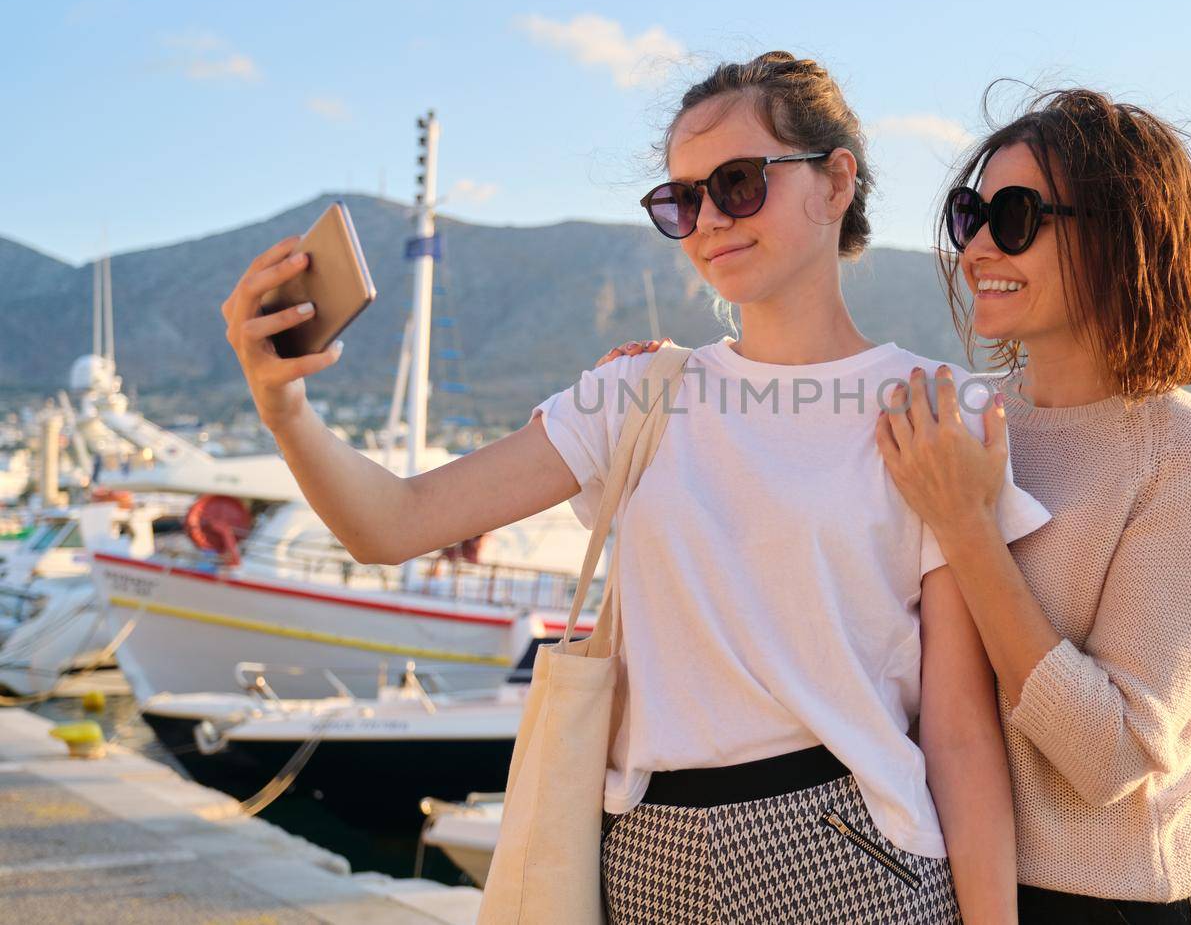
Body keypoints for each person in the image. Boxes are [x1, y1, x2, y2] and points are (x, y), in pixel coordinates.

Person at [220, 51, 1051, 923]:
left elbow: (960, 726)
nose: (706, 222)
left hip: (848, 849)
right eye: (680, 201)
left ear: (836, 181)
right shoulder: (637, 395)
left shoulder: (935, 406)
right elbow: (393, 523)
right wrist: (285, 408)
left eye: (736, 183)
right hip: (652, 855)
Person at [877, 88, 1191, 924]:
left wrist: (969, 527)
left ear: (1121, 234)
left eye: (1014, 215)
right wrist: (667, 380)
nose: (977, 244)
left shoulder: (1190, 456)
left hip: (1121, 899)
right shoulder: (959, 421)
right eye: (969, 214)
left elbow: (1110, 757)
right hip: (946, 879)